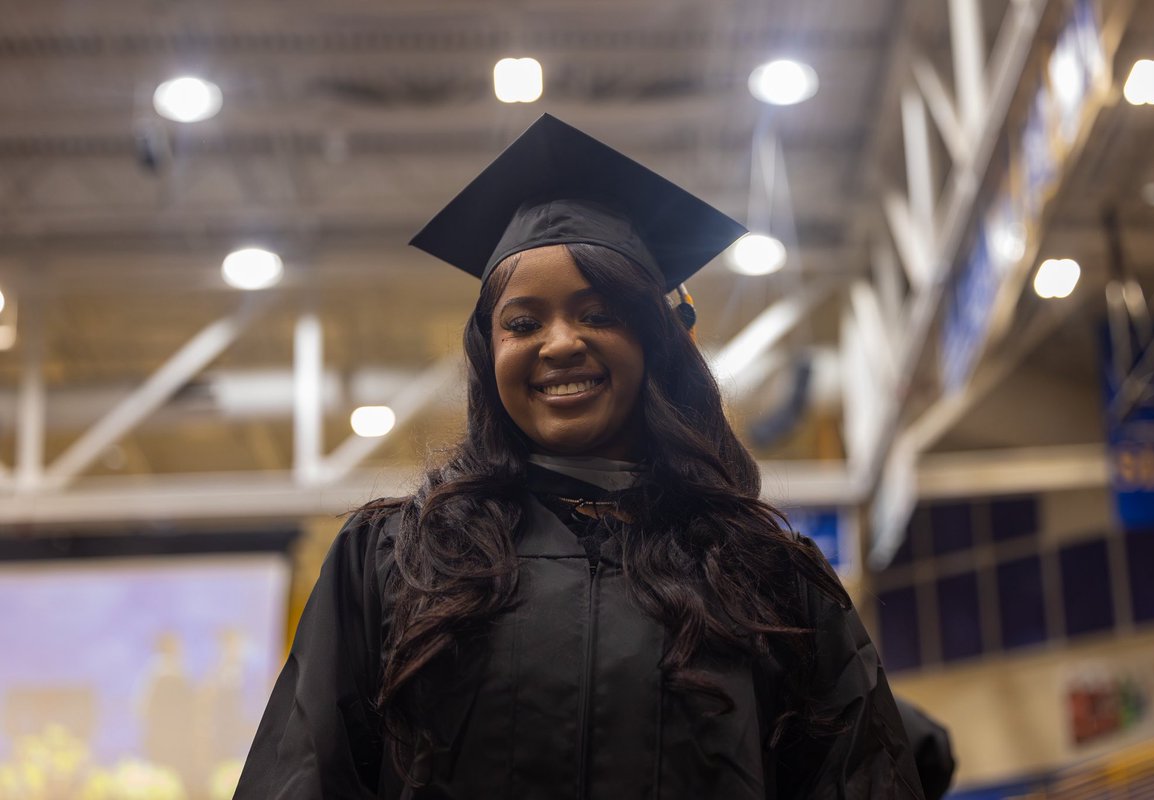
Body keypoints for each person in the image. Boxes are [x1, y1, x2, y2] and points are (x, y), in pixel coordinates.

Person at [234, 114, 925, 799]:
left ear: (655, 340)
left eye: (598, 314)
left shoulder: (766, 579)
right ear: (489, 354)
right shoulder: (398, 562)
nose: (560, 342)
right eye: (523, 323)